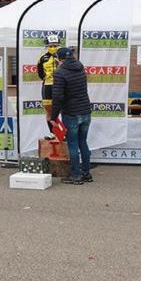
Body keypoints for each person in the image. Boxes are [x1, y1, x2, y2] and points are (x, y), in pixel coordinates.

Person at [50, 47, 92, 185]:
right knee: (83, 142)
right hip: (85, 111)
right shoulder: (80, 67)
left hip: (71, 113)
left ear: (59, 59)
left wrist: (53, 117)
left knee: (73, 144)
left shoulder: (60, 73)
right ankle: (86, 173)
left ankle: (75, 175)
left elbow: (57, 97)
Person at [37, 34, 61, 140]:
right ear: (47, 46)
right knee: (49, 111)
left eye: (55, 45)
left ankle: (62, 133)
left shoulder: (62, 57)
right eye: (50, 45)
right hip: (47, 86)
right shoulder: (42, 58)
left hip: (60, 86)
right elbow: (40, 74)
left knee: (61, 110)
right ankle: (53, 133)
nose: (53, 47)